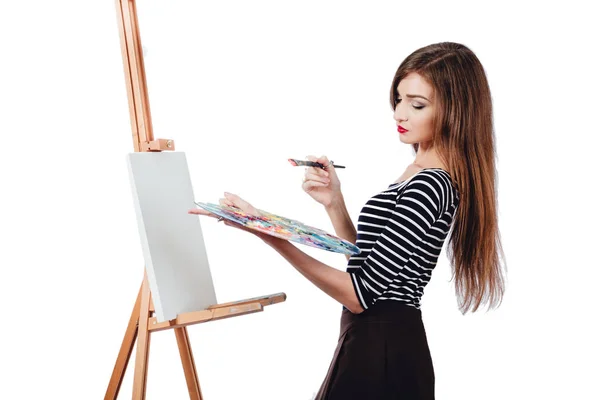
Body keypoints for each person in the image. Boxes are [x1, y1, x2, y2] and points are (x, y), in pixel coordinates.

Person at [189, 41, 506, 399]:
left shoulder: (431, 183)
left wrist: (270, 235)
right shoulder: (417, 172)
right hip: (376, 341)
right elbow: (371, 266)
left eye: (417, 104)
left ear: (456, 111)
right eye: (399, 99)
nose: (400, 113)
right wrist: (334, 203)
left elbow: (361, 294)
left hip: (382, 349)